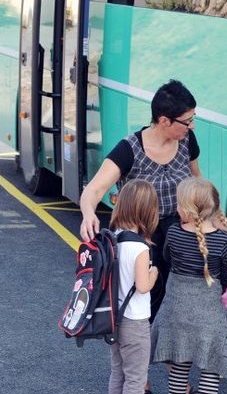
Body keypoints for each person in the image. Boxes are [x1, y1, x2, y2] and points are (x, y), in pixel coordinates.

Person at [79, 79, 201, 324]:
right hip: (143, 235)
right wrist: (88, 213)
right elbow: (93, 189)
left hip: (180, 230)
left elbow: (197, 181)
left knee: (182, 298)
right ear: (164, 120)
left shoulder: (188, 142)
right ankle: (139, 348)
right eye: (187, 121)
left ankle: (172, 356)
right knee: (148, 298)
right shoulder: (130, 148)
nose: (191, 126)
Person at [151, 177, 227, 394]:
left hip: (177, 312)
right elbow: (226, 277)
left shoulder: (173, 233)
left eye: (178, 204)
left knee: (179, 367)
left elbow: (167, 259)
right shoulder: (223, 240)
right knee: (211, 368)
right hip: (209, 314)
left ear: (187, 210)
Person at [107, 179, 160, 394]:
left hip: (114, 318)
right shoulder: (140, 248)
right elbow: (143, 286)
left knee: (118, 373)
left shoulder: (114, 239)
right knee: (136, 380)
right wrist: (154, 272)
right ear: (147, 212)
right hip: (135, 322)